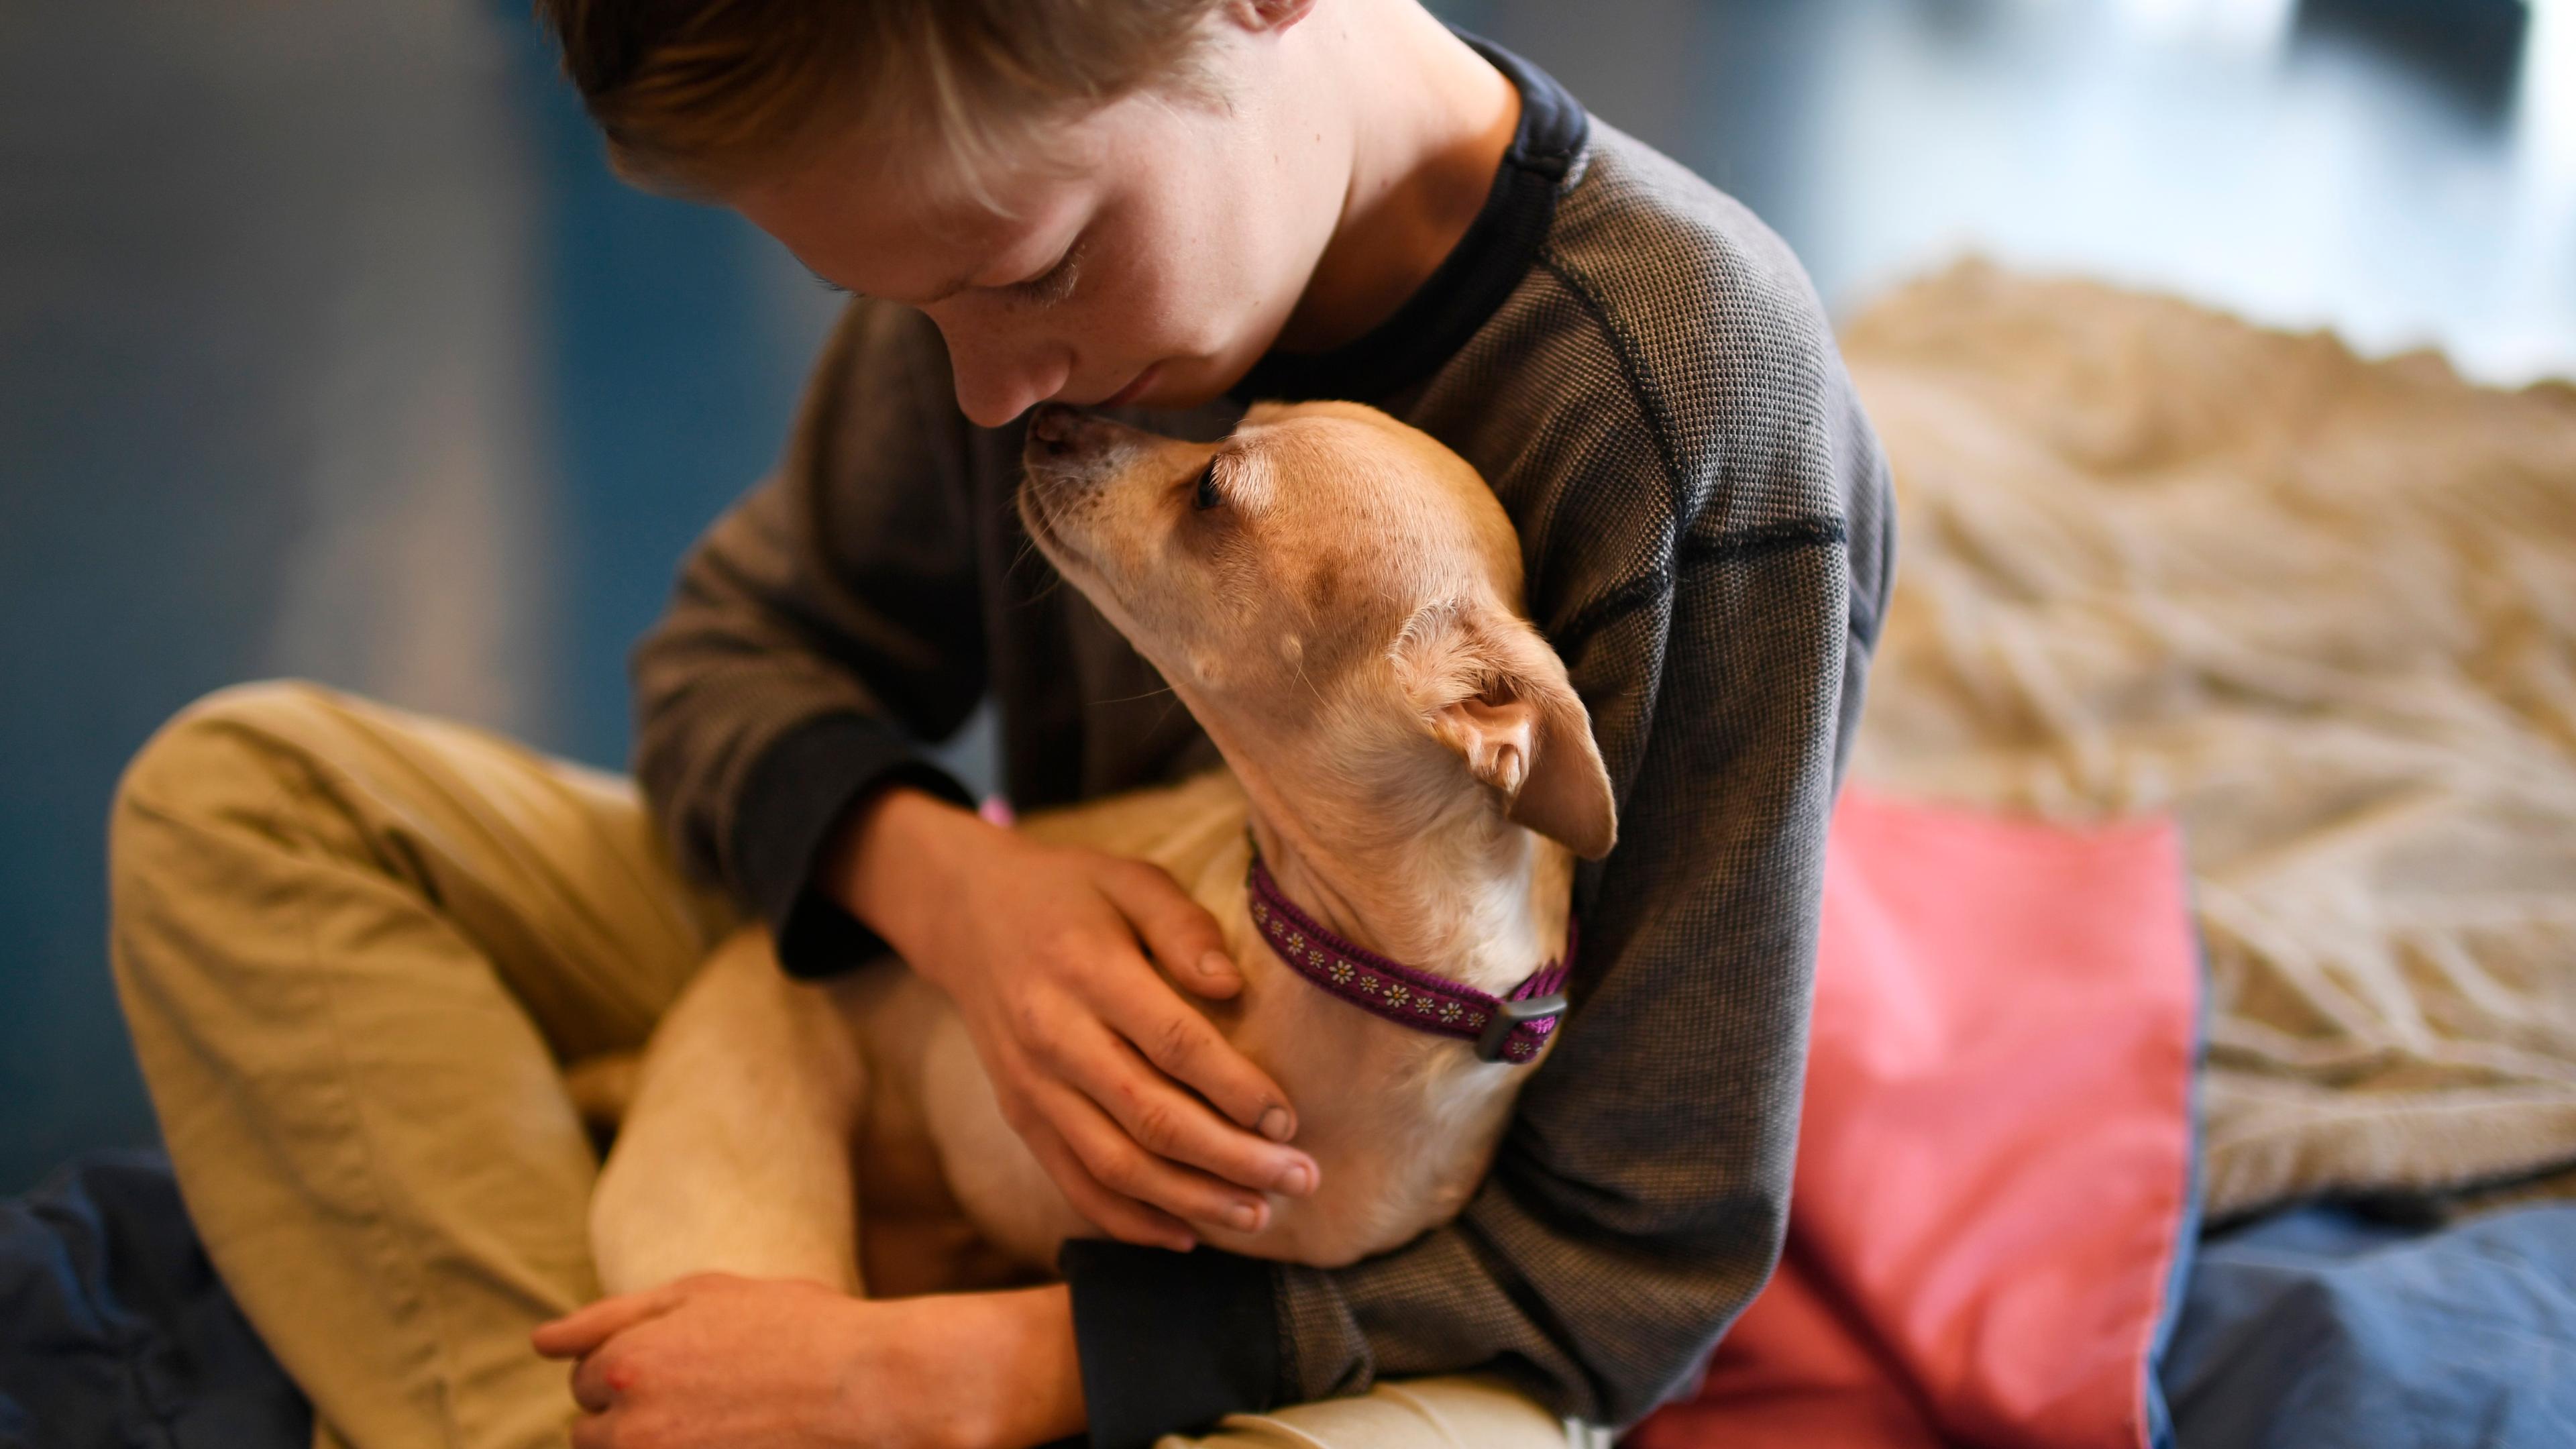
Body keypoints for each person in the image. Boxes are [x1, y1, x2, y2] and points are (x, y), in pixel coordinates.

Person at [105, 1, 1894, 1446]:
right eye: (906, 301)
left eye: (1027, 270)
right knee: (244, 799)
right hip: (978, 1017)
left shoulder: (1693, 404)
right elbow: (739, 664)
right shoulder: (994, 243)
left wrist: (972, 1371)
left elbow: (1630, 1264)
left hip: (1379, 1289)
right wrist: (954, 901)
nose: (983, 391)